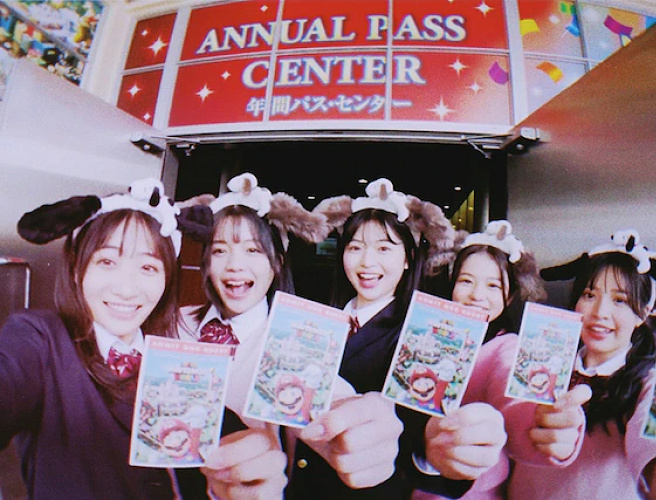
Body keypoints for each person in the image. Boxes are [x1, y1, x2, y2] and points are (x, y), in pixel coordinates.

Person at [1, 178, 285, 499]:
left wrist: (245, 474)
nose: (127, 288)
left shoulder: (175, 361)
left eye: (148, 267)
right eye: (107, 262)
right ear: (78, 270)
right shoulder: (40, 340)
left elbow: (222, 453)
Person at [176, 173, 405, 496]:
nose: (235, 265)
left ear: (277, 263)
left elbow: (333, 399)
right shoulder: (174, 325)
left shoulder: (295, 342)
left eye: (253, 250)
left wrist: (363, 429)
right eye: (219, 251)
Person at [288, 178, 497, 499]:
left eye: (384, 248)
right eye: (355, 247)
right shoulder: (316, 321)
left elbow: (423, 437)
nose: (367, 262)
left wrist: (435, 452)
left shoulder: (424, 337)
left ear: (408, 258)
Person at [507, 229, 656, 499]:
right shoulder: (545, 359)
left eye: (620, 300)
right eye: (589, 295)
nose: (600, 313)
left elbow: (654, 444)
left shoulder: (651, 383)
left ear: (643, 313)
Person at [414, 221, 590, 499]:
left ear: (509, 298)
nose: (477, 295)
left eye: (493, 286)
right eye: (466, 281)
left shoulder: (506, 347)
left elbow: (513, 400)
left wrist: (540, 421)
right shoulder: (429, 338)